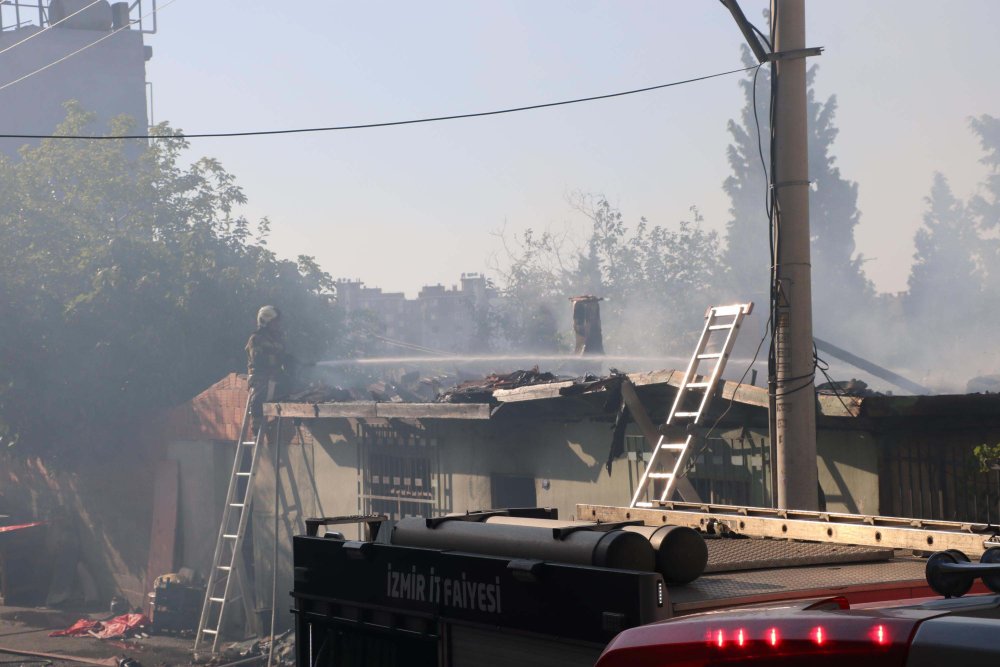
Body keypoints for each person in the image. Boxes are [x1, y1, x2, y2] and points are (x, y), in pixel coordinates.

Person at [246, 305, 288, 434]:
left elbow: (283, 355)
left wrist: (291, 362)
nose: (278, 325)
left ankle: (278, 421)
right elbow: (258, 360)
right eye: (275, 322)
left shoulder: (278, 339)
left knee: (293, 385)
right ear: (266, 321)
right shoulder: (256, 339)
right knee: (260, 397)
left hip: (276, 376)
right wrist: (276, 361)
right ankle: (256, 426)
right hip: (260, 378)